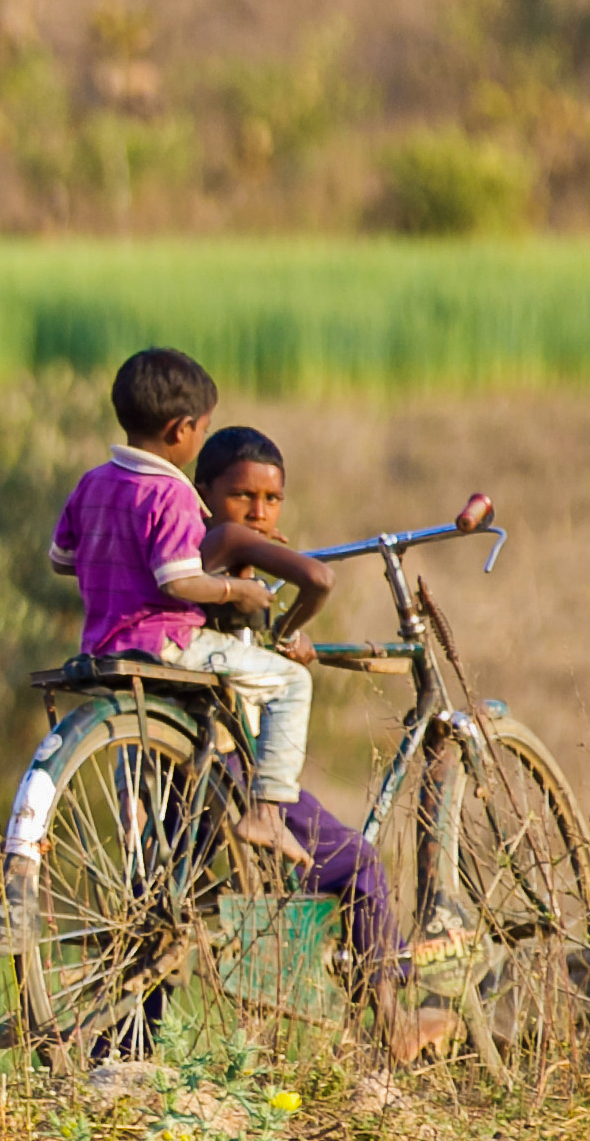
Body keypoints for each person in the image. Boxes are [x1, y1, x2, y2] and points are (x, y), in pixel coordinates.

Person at [192, 424, 462, 1061]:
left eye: (272, 500)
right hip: (233, 773)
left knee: (172, 910)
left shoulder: (205, 560)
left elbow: (235, 653)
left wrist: (278, 636)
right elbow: (313, 582)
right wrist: (287, 621)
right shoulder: (219, 553)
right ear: (205, 495)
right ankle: (395, 1023)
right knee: (365, 867)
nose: (259, 512)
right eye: (243, 498)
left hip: (195, 777)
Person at [42, 347, 316, 858]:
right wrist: (240, 590)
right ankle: (266, 811)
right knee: (290, 681)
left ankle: (138, 841)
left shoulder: (93, 483)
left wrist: (112, 558)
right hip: (168, 642)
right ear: (180, 430)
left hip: (104, 644)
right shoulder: (172, 493)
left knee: (141, 747)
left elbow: (61, 559)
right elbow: (179, 582)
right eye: (202, 429)